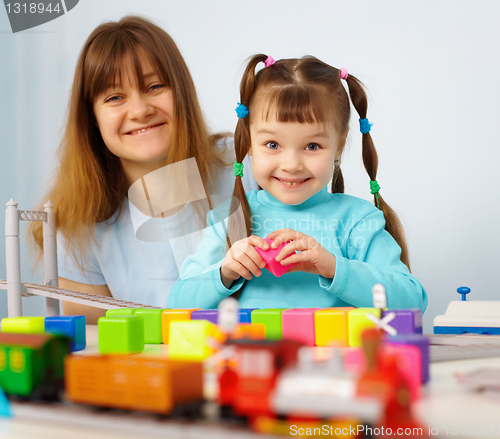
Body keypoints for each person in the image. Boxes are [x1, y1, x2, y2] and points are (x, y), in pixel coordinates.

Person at [29, 16, 258, 323]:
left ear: (182, 92)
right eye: (114, 97)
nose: (140, 110)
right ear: (92, 118)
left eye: (154, 86)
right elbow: (96, 344)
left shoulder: (249, 165)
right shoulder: (76, 225)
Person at [168, 54, 427, 312]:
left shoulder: (358, 221)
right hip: (251, 351)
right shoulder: (228, 218)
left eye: (312, 146)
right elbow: (177, 303)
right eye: (272, 144)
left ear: (339, 145)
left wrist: (335, 267)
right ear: (247, 141)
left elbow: (412, 301)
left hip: (334, 353)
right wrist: (224, 272)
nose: (291, 164)